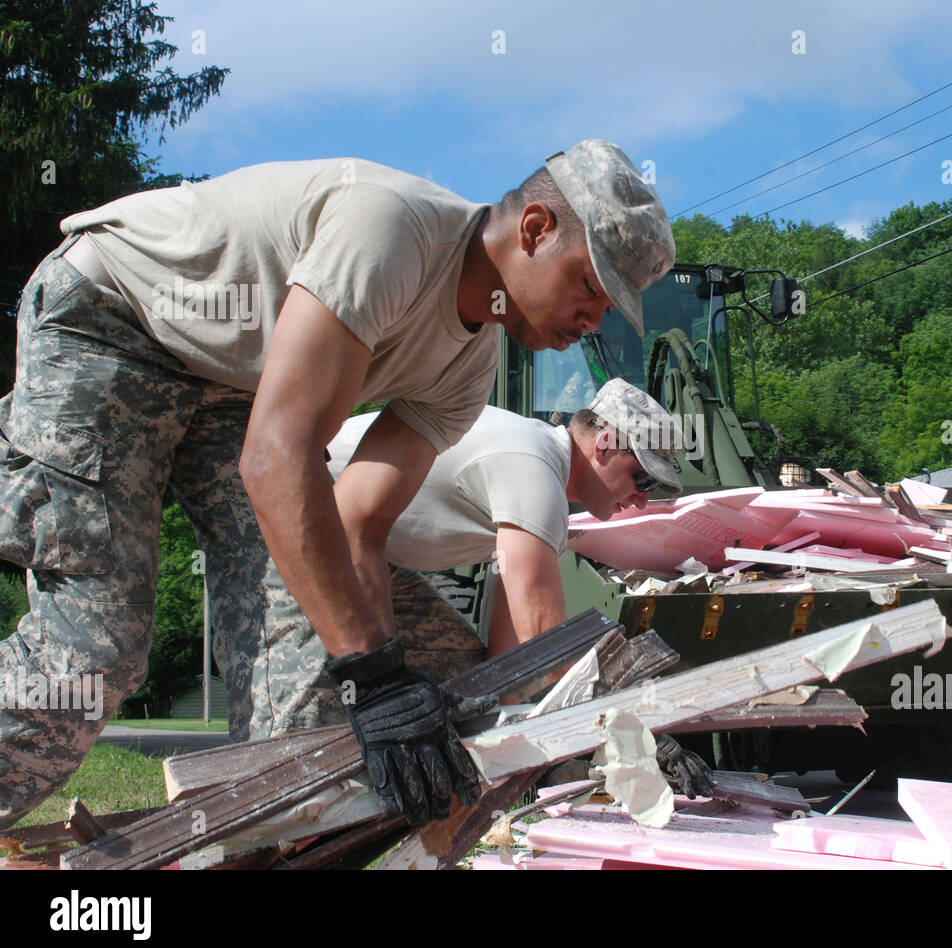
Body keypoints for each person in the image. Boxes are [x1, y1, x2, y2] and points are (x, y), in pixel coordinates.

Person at [0, 140, 675, 829]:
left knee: (311, 635)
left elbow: (357, 524)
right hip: (114, 319)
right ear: (535, 229)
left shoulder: (467, 371)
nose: (592, 320)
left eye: (609, 308)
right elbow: (275, 456)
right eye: (590, 287)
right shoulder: (392, 230)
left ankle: (262, 838)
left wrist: (387, 683)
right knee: (95, 650)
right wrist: (373, 676)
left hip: (234, 380)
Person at [255, 377, 712, 798]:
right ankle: (263, 824)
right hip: (303, 525)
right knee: (299, 741)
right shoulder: (534, 471)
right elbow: (545, 643)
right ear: (606, 443)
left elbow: (508, 665)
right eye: (643, 477)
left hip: (371, 553)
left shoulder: (537, 486)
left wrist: (531, 763)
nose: (642, 498)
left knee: (466, 691)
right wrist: (641, 731)